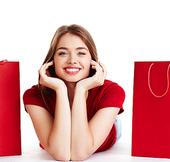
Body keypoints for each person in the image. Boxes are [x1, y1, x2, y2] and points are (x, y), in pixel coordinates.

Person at [23, 24, 125, 161]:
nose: (72, 60)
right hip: (60, 134)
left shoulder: (113, 91)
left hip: (107, 129)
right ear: (52, 60)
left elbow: (78, 154)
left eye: (81, 53)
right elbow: (61, 154)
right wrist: (60, 89)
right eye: (63, 53)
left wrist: (81, 89)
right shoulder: (33, 95)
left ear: (92, 60)